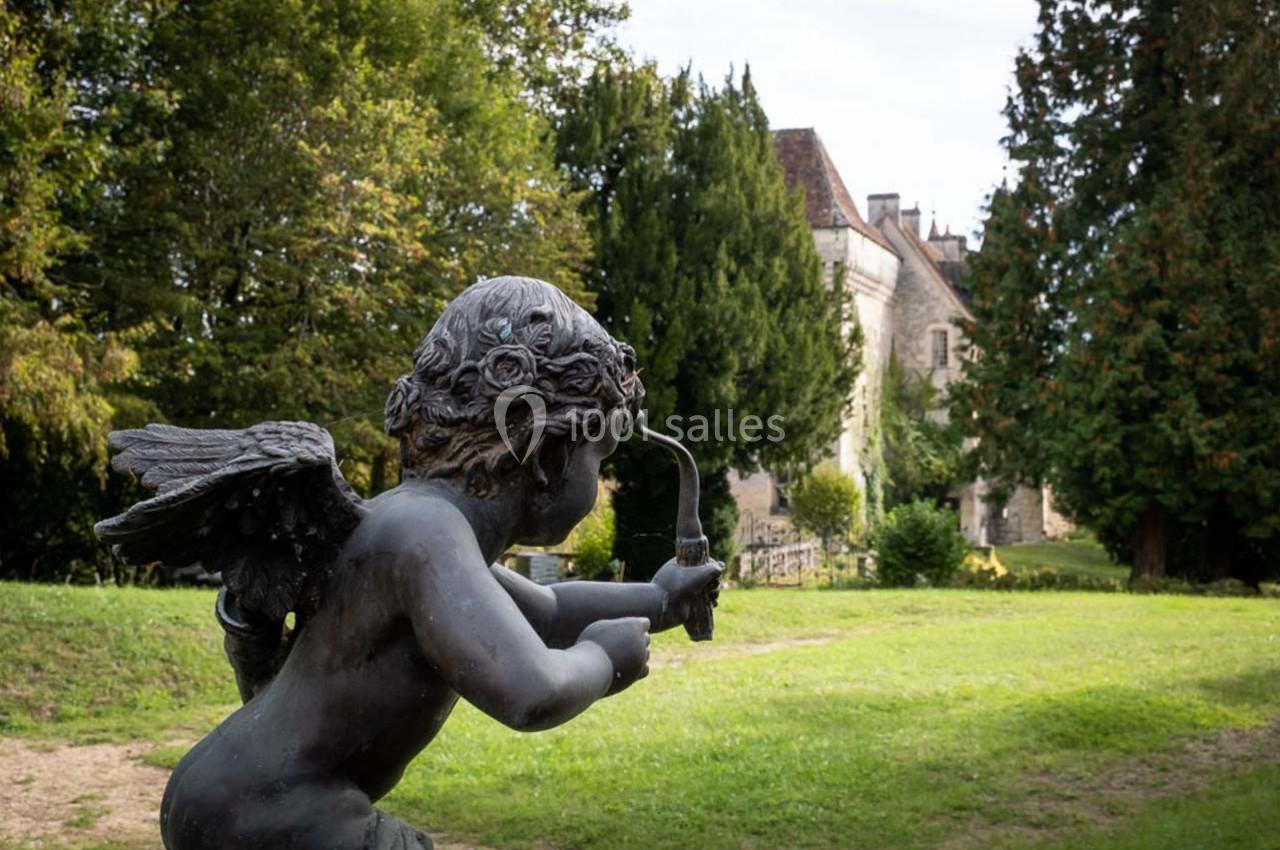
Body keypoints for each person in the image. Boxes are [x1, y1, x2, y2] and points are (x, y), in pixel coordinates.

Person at [102, 277, 721, 850]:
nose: (597, 481)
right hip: (279, 808)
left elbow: (551, 610)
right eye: (599, 458)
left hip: (240, 794)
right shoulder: (426, 538)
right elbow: (532, 693)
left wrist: (662, 599)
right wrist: (603, 660)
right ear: (546, 454)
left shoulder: (413, 526)